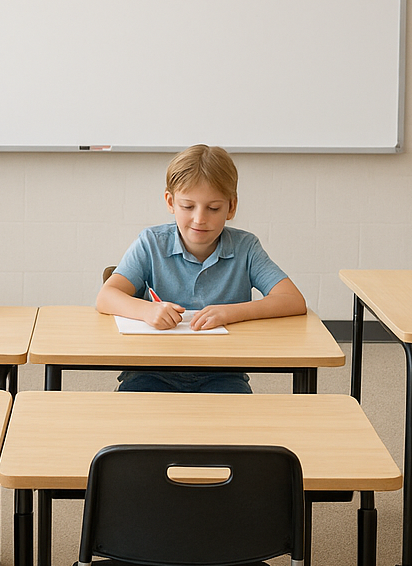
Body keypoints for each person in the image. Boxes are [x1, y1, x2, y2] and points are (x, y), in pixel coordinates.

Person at [96, 144, 307, 393]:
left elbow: (293, 300)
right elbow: (106, 297)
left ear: (231, 207)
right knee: (132, 424)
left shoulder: (245, 247)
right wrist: (147, 310)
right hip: (151, 370)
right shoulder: (151, 242)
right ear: (170, 202)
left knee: (243, 427)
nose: (199, 219)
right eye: (188, 206)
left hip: (223, 373)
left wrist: (230, 313)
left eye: (213, 208)